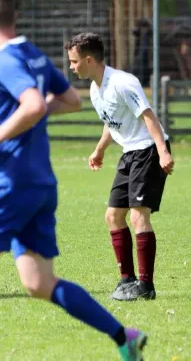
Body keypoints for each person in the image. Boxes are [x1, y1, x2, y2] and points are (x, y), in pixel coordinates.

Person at [0, 0, 147, 361]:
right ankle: (123, 336)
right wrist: (25, 116)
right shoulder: (32, 55)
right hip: (40, 186)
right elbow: (71, 100)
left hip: (10, 184)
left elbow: (33, 103)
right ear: (13, 18)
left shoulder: (3, 60)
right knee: (38, 282)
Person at [65, 32, 174, 301]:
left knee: (138, 216)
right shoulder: (95, 89)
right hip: (130, 153)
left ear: (88, 59)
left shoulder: (123, 83)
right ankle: (127, 281)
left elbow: (148, 117)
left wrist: (162, 153)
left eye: (74, 61)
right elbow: (111, 121)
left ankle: (146, 286)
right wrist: (100, 149)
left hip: (148, 150)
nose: (71, 66)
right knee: (113, 216)